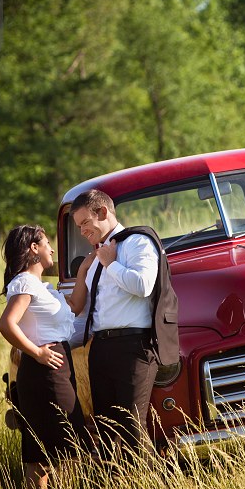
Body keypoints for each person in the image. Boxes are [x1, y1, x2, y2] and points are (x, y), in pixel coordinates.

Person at [0, 225, 90, 489]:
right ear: (33, 248)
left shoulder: (41, 287)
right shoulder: (25, 282)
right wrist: (36, 352)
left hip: (54, 367)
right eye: (47, 243)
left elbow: (75, 305)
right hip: (45, 370)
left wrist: (85, 269)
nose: (52, 249)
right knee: (69, 442)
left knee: (43, 447)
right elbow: (6, 323)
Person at [68, 189, 161, 462]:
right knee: (106, 430)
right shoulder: (93, 260)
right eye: (78, 227)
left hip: (134, 347)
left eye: (85, 223)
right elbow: (88, 314)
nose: (83, 231)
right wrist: (57, 346)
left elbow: (143, 285)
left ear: (103, 212)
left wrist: (110, 264)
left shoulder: (137, 243)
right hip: (100, 349)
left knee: (133, 428)